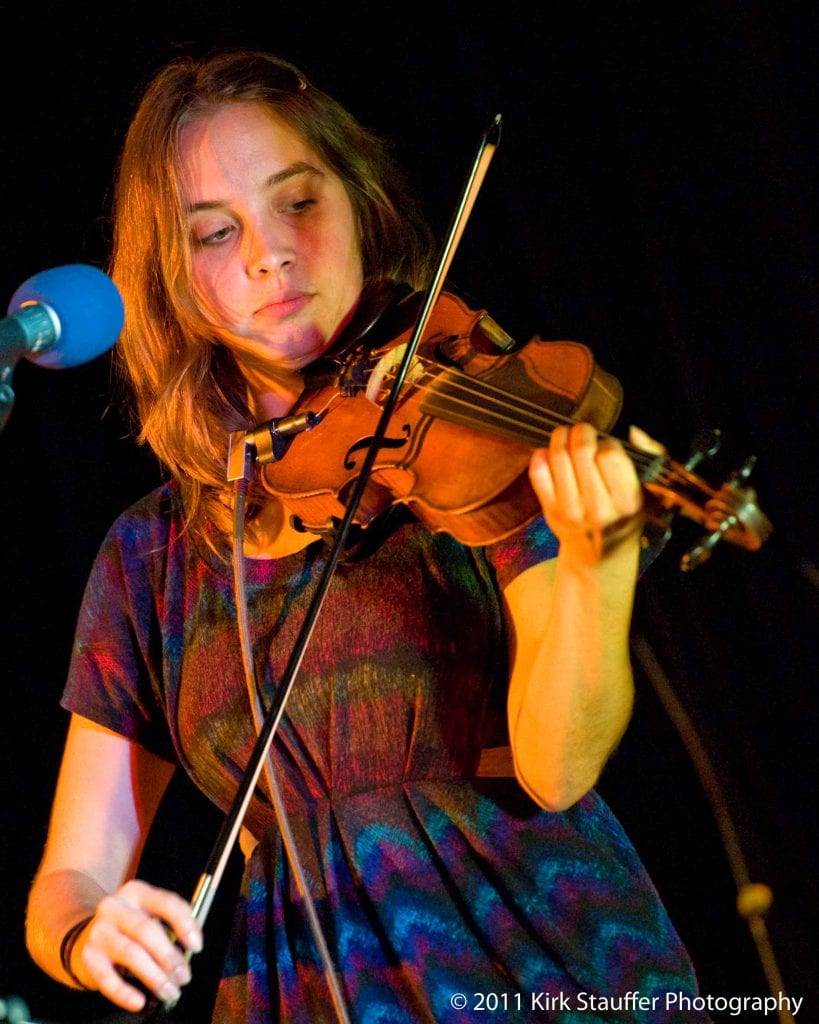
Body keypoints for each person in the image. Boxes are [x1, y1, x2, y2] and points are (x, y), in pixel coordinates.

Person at [24, 48, 712, 1024]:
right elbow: (73, 873)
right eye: (215, 233)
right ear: (174, 279)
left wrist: (599, 568)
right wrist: (88, 934)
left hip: (543, 959)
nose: (268, 253)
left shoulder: (473, 436)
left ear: (361, 201)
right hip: (302, 990)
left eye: (297, 202)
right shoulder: (151, 557)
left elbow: (558, 767)